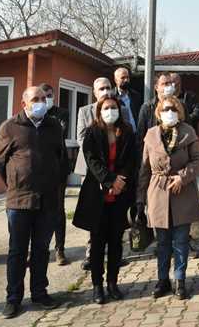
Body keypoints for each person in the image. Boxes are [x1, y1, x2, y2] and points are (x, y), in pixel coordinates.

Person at [0, 86, 64, 318]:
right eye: (35, 99)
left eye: (44, 98)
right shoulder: (10, 127)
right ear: (24, 104)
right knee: (17, 252)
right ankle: (13, 298)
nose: (41, 102)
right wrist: (15, 182)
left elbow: (61, 158)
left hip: (48, 201)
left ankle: (39, 293)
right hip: (19, 201)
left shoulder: (53, 126)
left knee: (42, 250)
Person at [137, 96, 199, 300]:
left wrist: (182, 177)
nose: (170, 112)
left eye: (174, 109)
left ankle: (180, 280)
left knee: (181, 240)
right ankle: (162, 280)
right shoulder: (151, 134)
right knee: (163, 242)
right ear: (159, 111)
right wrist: (140, 199)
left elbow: (198, 160)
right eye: (166, 109)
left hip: (182, 192)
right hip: (158, 191)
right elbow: (144, 169)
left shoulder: (188, 132)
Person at [73, 96, 136, 304]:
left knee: (116, 243)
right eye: (106, 108)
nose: (111, 111)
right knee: (98, 243)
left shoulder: (127, 131)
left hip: (120, 195)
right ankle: (97, 285)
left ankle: (112, 283)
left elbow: (131, 160)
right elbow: (91, 160)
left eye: (114, 107)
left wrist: (120, 181)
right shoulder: (92, 132)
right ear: (99, 111)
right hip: (97, 195)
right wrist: (109, 180)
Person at [75, 77, 131, 271]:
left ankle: (116, 259)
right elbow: (82, 141)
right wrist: (106, 177)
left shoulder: (121, 111)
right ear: (94, 92)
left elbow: (130, 147)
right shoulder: (85, 112)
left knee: (115, 228)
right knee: (95, 223)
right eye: (102, 89)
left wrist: (119, 179)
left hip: (119, 181)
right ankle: (91, 255)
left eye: (108, 88)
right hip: (93, 174)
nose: (106, 91)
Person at [39, 83, 71, 266]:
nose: (45, 100)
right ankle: (38, 249)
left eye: (48, 96)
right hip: (38, 171)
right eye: (42, 96)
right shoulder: (35, 116)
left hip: (59, 168)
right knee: (38, 211)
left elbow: (58, 134)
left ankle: (60, 249)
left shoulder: (61, 114)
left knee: (58, 210)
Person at [113, 67, 140, 132]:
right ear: (116, 80)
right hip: (121, 136)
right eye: (123, 78)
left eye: (127, 77)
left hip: (136, 135)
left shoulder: (136, 95)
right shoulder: (112, 97)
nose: (126, 80)